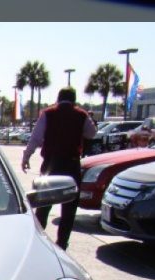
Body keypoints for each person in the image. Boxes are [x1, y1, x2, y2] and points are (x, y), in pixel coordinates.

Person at [21, 87, 97, 250]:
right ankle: (62, 244)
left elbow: (35, 138)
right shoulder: (81, 115)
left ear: (58, 98)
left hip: (51, 164)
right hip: (71, 164)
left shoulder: (48, 114)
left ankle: (38, 241)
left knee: (43, 204)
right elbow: (91, 133)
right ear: (74, 99)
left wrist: (26, 157)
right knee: (69, 208)